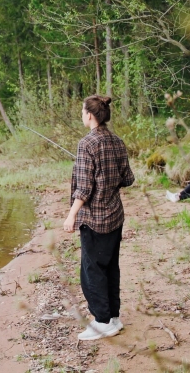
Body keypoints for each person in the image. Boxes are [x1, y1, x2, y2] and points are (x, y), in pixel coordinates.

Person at [63, 95, 135, 341]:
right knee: (110, 267)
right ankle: (113, 317)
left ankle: (103, 321)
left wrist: (71, 216)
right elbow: (128, 179)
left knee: (92, 271)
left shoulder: (87, 144)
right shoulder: (117, 141)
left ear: (90, 115)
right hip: (115, 215)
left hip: (94, 219)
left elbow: (83, 189)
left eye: (82, 111)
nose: (81, 115)